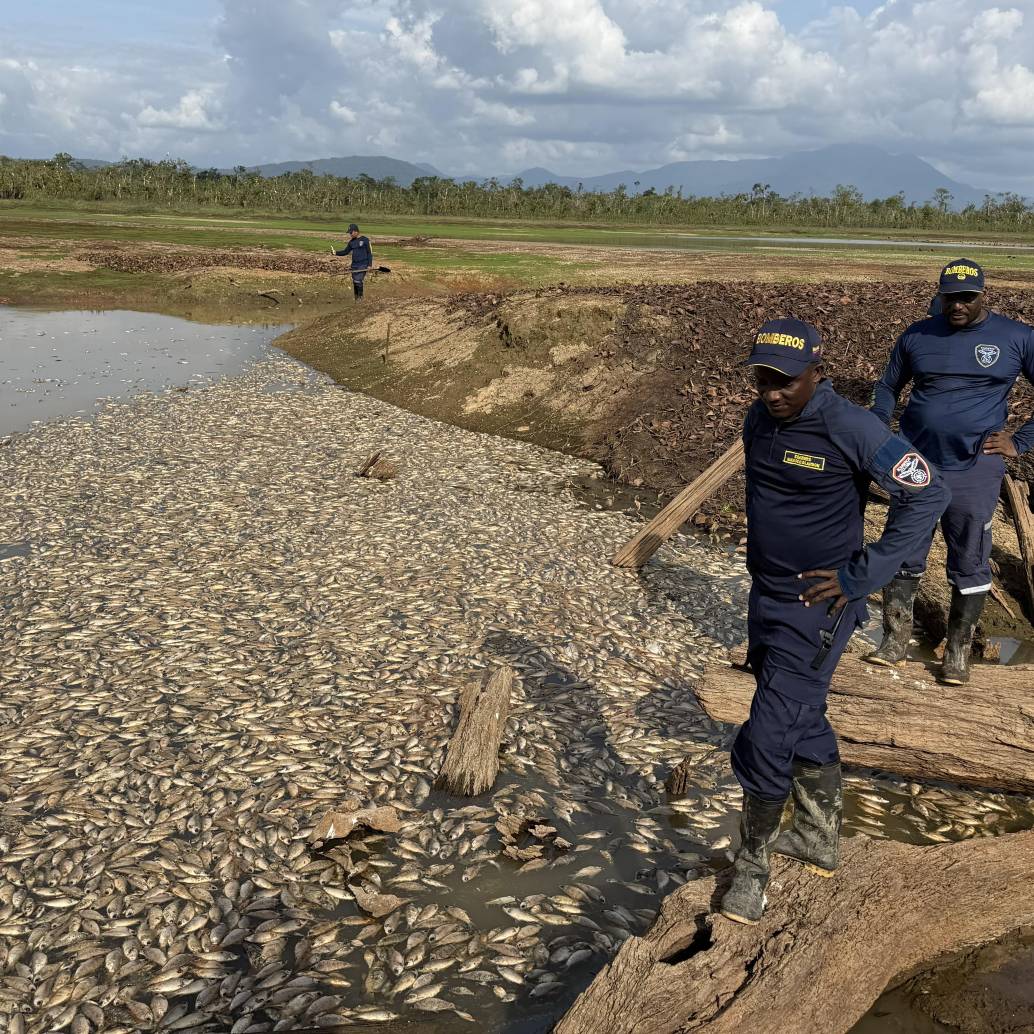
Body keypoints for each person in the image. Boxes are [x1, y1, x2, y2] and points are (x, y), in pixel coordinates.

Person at [721, 318, 949, 926]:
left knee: (767, 735)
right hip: (765, 596)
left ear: (817, 372)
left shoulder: (851, 425)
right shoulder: (757, 421)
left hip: (819, 606)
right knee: (802, 716)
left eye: (786, 381)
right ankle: (820, 838)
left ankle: (751, 870)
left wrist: (864, 574)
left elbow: (928, 493)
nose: (772, 391)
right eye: (763, 377)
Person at [868, 259, 1034, 684]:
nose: (957, 304)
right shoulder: (918, 334)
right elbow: (888, 386)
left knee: (970, 557)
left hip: (976, 466)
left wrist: (1020, 441)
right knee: (904, 549)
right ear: (939, 294)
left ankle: (958, 652)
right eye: (949, 296)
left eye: (966, 297)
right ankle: (895, 639)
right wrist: (880, 428)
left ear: (984, 295)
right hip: (916, 463)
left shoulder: (1016, 337)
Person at [332, 223, 373, 302]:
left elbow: (369, 253)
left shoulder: (365, 240)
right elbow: (345, 252)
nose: (350, 234)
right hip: (354, 265)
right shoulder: (351, 242)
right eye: (349, 233)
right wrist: (335, 253)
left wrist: (369, 265)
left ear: (356, 232)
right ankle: (356, 299)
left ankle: (360, 299)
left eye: (351, 232)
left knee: (358, 280)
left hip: (363, 264)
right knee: (355, 282)